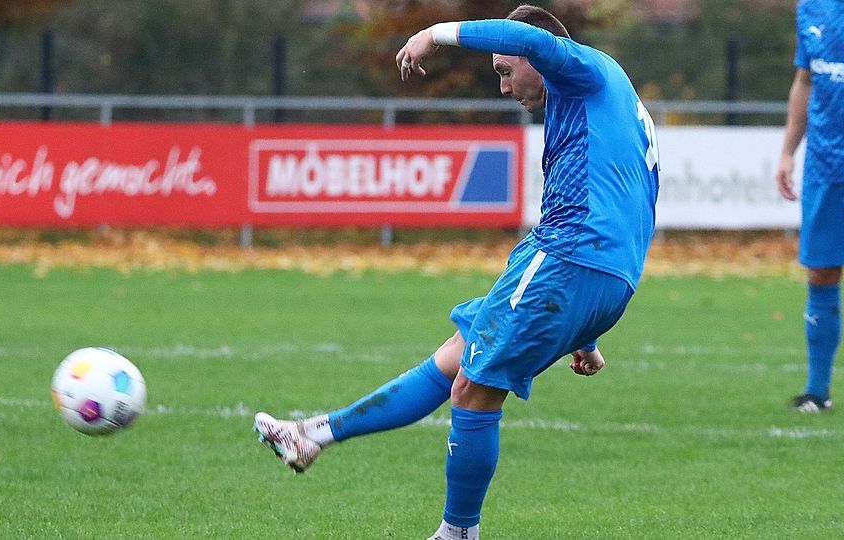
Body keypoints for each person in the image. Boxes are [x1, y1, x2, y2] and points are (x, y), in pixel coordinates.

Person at [254, 5, 659, 539]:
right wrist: (585, 323)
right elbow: (629, 196)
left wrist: (433, 35)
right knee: (453, 360)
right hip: (603, 269)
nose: (503, 87)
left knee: (473, 389)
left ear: (539, 54)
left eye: (505, 71)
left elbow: (520, 35)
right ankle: (313, 435)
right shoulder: (608, 96)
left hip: (571, 255)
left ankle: (457, 533)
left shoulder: (581, 67)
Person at [775, 0, 844, 413]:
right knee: (822, 272)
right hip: (825, 167)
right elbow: (805, 80)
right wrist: (788, 151)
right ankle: (817, 391)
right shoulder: (810, 9)